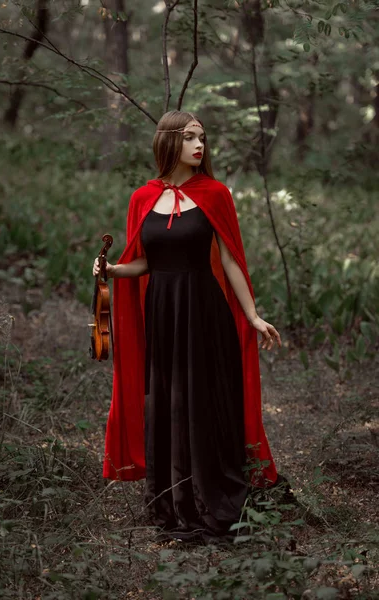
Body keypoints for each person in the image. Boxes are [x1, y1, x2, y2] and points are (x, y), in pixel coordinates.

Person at [93, 110, 282, 543]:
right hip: (163, 311)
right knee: (169, 401)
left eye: (203, 137)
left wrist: (252, 316)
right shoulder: (142, 198)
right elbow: (146, 261)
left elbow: (231, 258)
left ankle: (212, 493)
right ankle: (173, 497)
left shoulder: (216, 194)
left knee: (203, 400)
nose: (200, 146)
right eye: (190, 138)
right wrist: (111, 270)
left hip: (204, 311)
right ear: (168, 143)